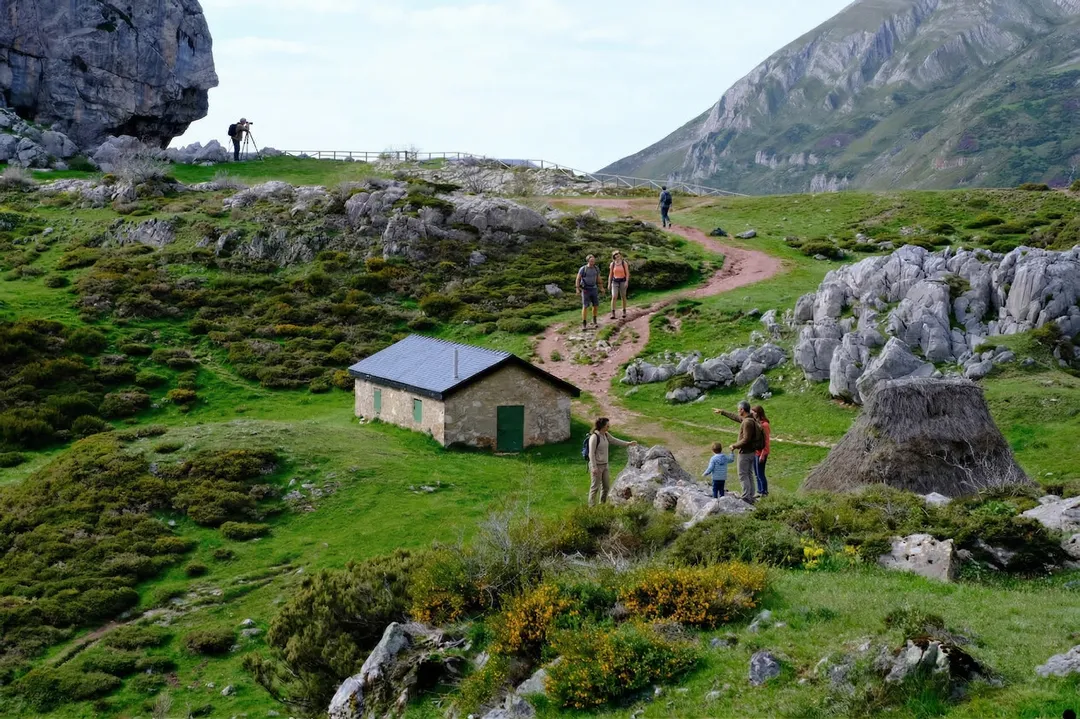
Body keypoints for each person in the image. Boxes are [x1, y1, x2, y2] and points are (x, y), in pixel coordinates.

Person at [713, 401, 761, 502]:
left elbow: (746, 439)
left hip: (745, 453)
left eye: (739, 409)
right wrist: (723, 412)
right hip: (751, 452)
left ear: (742, 410)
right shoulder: (750, 419)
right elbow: (736, 417)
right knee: (748, 474)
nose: (737, 411)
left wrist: (734, 445)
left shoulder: (747, 422)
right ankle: (750, 495)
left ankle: (745, 497)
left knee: (743, 474)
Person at [587, 417, 636, 506]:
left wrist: (628, 443)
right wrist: (594, 467)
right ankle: (591, 508)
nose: (609, 427)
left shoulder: (606, 434)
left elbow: (615, 441)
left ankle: (602, 505)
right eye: (607, 425)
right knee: (595, 488)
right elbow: (591, 454)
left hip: (605, 465)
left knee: (606, 487)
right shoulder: (594, 437)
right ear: (602, 426)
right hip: (597, 466)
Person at [576, 254, 604, 330]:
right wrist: (577, 289)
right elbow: (578, 279)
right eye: (591, 261)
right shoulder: (583, 269)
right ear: (588, 261)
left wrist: (601, 288)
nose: (593, 262)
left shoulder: (596, 268)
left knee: (595, 305)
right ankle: (584, 323)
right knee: (585, 306)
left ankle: (595, 321)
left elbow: (598, 278)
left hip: (594, 288)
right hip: (585, 289)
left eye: (594, 261)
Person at [751, 405, 771, 498]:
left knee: (760, 473)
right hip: (756, 452)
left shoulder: (765, 425)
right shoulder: (756, 423)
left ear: (758, 413)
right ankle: (759, 491)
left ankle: (764, 492)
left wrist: (763, 454)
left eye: (754, 412)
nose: (752, 413)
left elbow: (766, 440)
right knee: (756, 473)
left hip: (762, 453)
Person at [608, 250, 630, 320]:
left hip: (622, 281)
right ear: (614, 257)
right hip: (615, 281)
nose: (617, 256)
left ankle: (624, 311)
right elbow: (610, 275)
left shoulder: (624, 263)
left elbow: (627, 273)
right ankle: (613, 312)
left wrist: (627, 281)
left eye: (618, 255)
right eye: (616, 256)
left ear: (620, 255)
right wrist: (609, 283)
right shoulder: (612, 264)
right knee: (614, 296)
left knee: (623, 296)